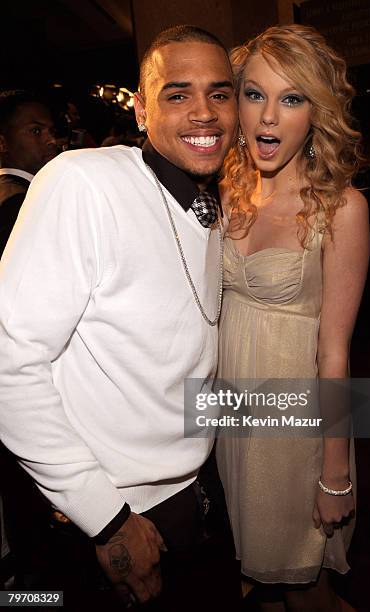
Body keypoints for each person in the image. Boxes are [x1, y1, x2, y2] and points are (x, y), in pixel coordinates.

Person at [0, 25, 239, 611]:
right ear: (140, 111)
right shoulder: (85, 181)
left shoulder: (212, 206)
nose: (203, 113)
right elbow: (9, 357)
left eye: (221, 93)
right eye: (177, 94)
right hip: (108, 513)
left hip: (197, 494)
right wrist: (104, 518)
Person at [217, 25, 369, 611]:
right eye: (254, 94)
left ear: (318, 111)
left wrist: (335, 473)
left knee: (305, 587)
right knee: (245, 581)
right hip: (228, 412)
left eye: (291, 98)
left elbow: (335, 351)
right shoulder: (227, 190)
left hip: (296, 427)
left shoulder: (342, 208)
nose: (268, 119)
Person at [0, 90, 57, 256]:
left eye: (52, 131)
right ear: (2, 143)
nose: (52, 141)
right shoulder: (18, 201)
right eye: (36, 131)